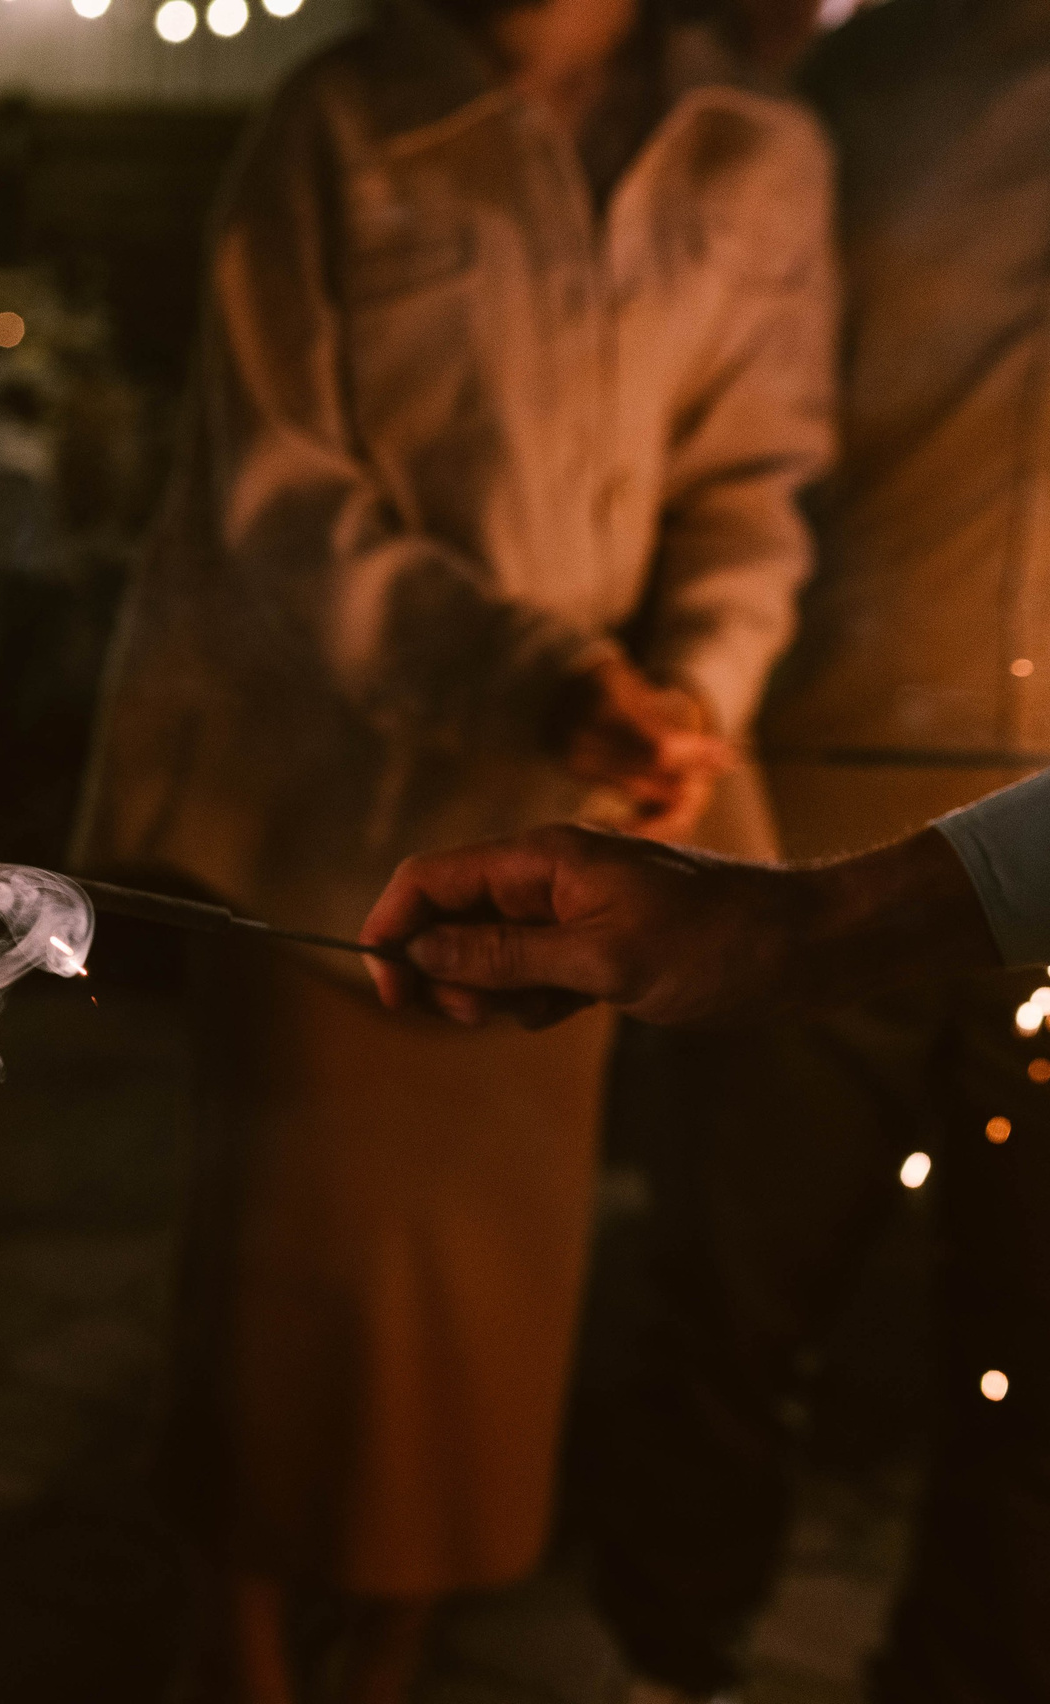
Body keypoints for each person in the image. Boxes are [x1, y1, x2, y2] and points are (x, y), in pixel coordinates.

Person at [71, 0, 836, 1688]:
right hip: (327, 818)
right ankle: (246, 1654)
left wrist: (690, 691)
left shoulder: (752, 149)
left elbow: (753, 473)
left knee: (479, 1324)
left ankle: (393, 1659)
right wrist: (527, 670)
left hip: (584, 831)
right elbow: (275, 485)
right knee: (290, 1302)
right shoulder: (341, 123)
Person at [539, 0, 1050, 1692]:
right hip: (820, 819)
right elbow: (715, 443)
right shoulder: (857, 90)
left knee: (1032, 1365)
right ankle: (666, 1649)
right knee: (731, 1307)